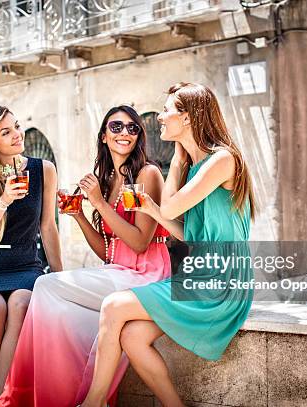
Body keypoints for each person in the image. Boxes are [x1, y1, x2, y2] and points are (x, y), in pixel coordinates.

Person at [80, 82, 256, 407]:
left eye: (167, 111)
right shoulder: (199, 166)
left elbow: (173, 206)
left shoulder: (221, 161)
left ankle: (93, 403)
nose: (160, 118)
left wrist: (176, 161)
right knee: (132, 337)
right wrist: (151, 210)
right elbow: (186, 233)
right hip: (199, 273)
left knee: (113, 305)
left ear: (187, 118)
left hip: (222, 279)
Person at [0, 105, 171, 407]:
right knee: (61, 314)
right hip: (118, 271)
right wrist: (78, 216)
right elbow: (108, 251)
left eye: (132, 128)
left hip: (147, 275)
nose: (124, 133)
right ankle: (70, 396)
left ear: (139, 136)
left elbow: (141, 243)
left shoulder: (148, 174)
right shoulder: (107, 178)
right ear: (104, 136)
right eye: (116, 127)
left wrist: (99, 204)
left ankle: (22, 396)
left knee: (47, 285)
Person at [0, 106, 63, 402]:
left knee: (20, 303)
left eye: (17, 127)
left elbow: (48, 226)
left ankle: (0, 400)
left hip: (27, 266)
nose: (18, 134)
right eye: (6, 132)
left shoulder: (43, 169)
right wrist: (3, 200)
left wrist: (59, 274)